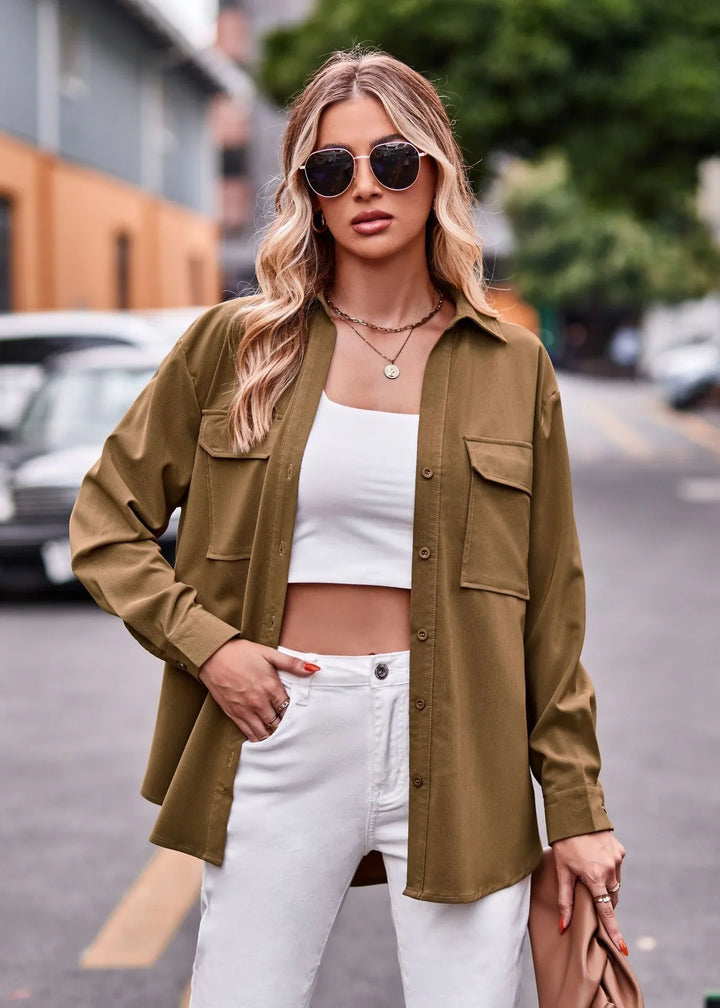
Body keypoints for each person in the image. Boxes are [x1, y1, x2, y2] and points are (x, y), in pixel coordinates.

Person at [70, 49, 627, 1008]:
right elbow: (105, 523)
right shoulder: (237, 346)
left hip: (467, 741)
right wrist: (214, 652)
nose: (366, 186)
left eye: (393, 160)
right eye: (333, 169)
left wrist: (576, 808)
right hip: (281, 721)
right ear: (308, 196)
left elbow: (551, 611)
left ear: (438, 171)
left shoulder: (513, 364)